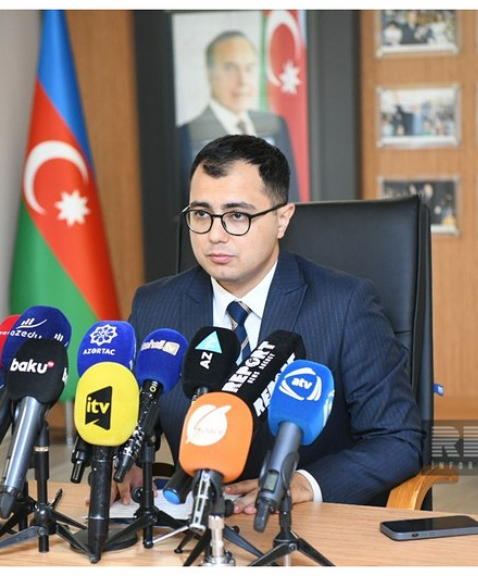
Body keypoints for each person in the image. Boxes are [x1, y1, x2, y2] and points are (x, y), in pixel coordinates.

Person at [117, 135, 424, 513]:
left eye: (237, 216)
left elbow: (398, 439)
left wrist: (305, 484)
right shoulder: (155, 307)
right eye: (201, 214)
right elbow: (135, 422)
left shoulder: (345, 305)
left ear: (282, 218)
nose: (215, 235)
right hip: (193, 521)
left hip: (303, 524)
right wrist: (123, 461)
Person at [178, 30, 300, 203]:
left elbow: (290, 196)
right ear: (209, 73)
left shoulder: (276, 125)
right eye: (230, 68)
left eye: (249, 68)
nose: (242, 80)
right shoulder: (183, 136)